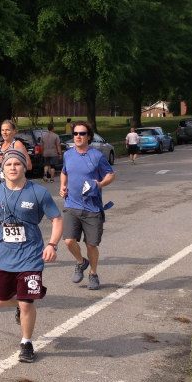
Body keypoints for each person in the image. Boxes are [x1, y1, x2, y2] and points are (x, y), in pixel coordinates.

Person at [0, 149, 63, 363]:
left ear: (24, 167)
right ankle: (20, 303)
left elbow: (57, 219)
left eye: (17, 164)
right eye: (8, 164)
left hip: (31, 255)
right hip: (4, 255)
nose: (13, 168)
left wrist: (52, 244)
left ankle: (26, 343)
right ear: (3, 168)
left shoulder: (38, 192)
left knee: (26, 302)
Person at [59, 121, 116, 291]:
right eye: (75, 133)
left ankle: (93, 274)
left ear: (88, 136)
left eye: (82, 133)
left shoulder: (97, 156)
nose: (78, 136)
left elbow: (111, 175)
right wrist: (62, 186)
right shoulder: (68, 154)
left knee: (91, 245)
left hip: (92, 207)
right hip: (71, 205)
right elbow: (64, 172)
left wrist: (100, 184)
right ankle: (80, 262)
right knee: (68, 241)